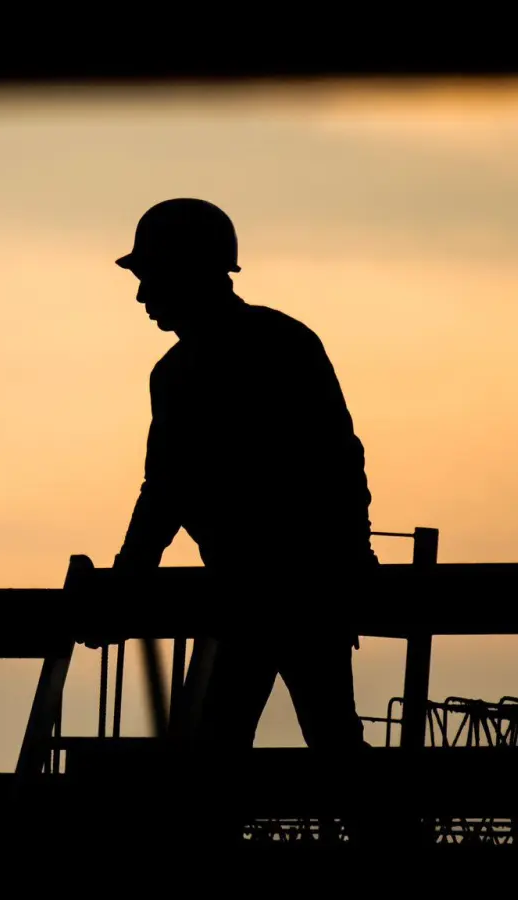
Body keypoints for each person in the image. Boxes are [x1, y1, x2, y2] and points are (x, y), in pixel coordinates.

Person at [111, 198, 377, 753]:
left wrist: (126, 579)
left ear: (188, 273)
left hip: (272, 594)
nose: (141, 296)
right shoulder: (277, 343)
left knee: (219, 751)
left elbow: (166, 491)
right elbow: (341, 462)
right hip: (296, 590)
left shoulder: (195, 369)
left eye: (151, 278)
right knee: (325, 744)